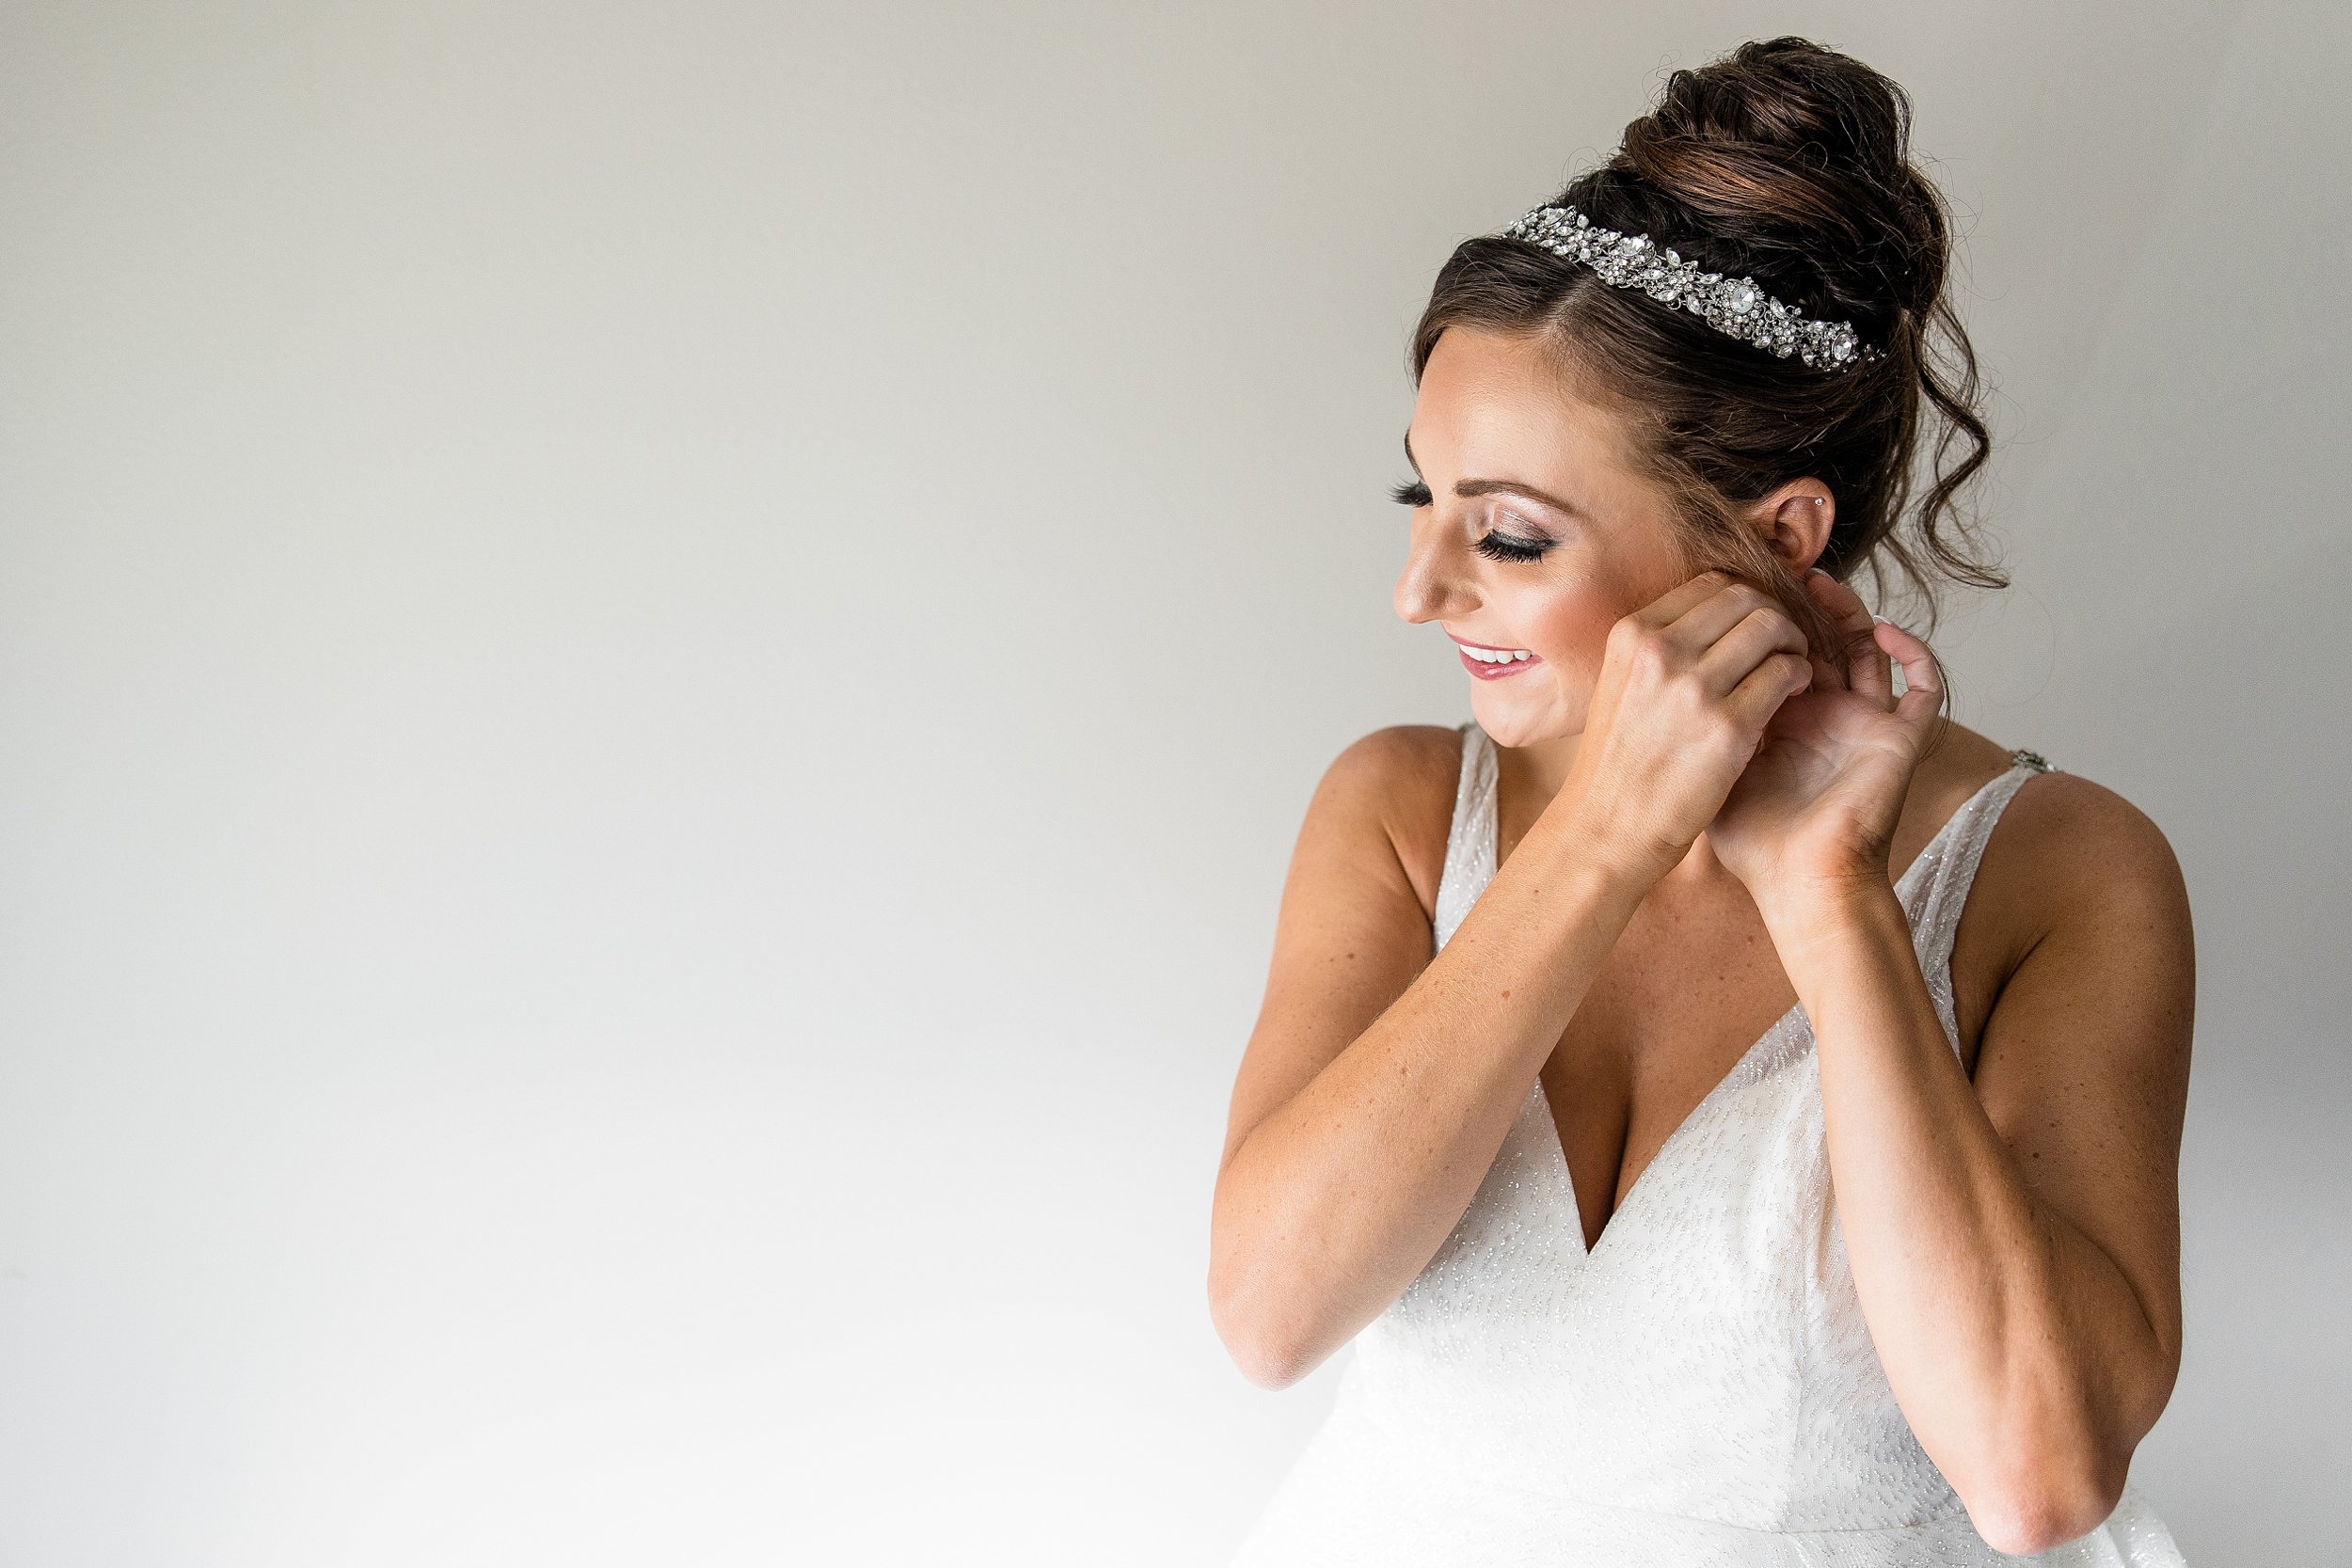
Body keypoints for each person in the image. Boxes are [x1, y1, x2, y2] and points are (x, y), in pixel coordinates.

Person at [1208, 37, 2194, 1566]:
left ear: (1773, 537)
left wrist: (1832, 899)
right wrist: (1604, 837)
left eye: (1513, 537)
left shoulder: (2065, 873)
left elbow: (2037, 1480)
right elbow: (1271, 1319)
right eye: (1425, 499)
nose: (1419, 593)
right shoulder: (1400, 810)